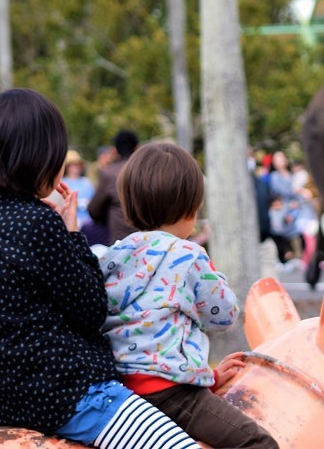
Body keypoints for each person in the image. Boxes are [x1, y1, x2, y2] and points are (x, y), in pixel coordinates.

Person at [0, 89, 199, 448]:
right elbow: (91, 307)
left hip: (2, 404)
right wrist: (72, 233)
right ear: (38, 157)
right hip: (72, 399)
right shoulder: (37, 223)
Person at [99, 142, 278, 448]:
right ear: (191, 208)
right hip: (171, 394)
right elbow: (224, 315)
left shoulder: (113, 255)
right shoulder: (188, 255)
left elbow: (144, 327)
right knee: (257, 442)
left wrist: (206, 375)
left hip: (123, 395)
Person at [88, 130, 139, 245]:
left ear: (115, 150)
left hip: (120, 241)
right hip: (148, 240)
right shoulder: (148, 171)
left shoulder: (109, 173)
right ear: (137, 148)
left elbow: (94, 210)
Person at [63, 150, 98, 244]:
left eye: (77, 165)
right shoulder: (62, 183)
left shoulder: (86, 182)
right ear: (67, 167)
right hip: (70, 222)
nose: (75, 168)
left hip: (88, 222)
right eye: (72, 165)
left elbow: (94, 201)